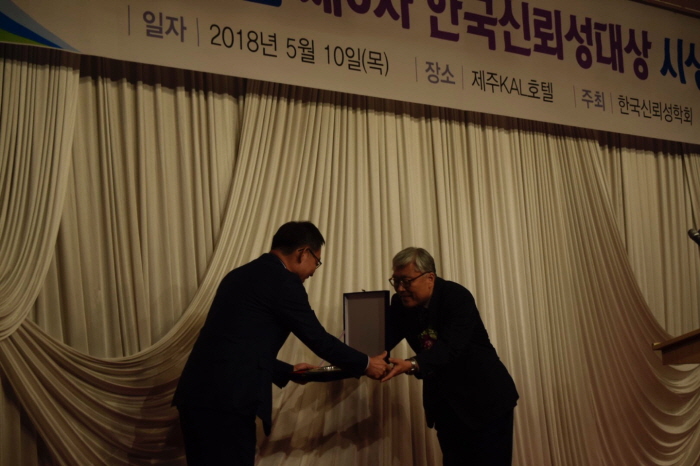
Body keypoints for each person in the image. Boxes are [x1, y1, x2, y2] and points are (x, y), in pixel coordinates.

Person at [172, 221, 389, 465]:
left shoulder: (238, 275)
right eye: (317, 261)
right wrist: (366, 363)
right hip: (228, 402)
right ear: (303, 253)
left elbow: (233, 344)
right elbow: (318, 339)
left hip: (195, 395)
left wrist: (288, 371)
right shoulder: (284, 282)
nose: (314, 271)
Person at [382, 247, 519, 466]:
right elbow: (382, 343)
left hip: (486, 402)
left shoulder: (456, 297)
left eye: (406, 281)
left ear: (429, 278)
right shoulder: (400, 304)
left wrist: (412, 364)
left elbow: (450, 347)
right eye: (395, 281)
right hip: (447, 407)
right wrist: (352, 361)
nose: (400, 288)